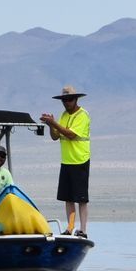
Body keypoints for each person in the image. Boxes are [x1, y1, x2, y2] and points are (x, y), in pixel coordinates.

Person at [39, 86, 91, 237]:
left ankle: (83, 230)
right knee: (68, 198)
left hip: (80, 160)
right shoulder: (63, 115)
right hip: (66, 161)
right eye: (64, 100)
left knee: (81, 199)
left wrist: (54, 123)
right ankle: (70, 228)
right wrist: (50, 125)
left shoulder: (83, 115)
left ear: (76, 99)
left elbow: (70, 135)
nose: (66, 103)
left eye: (69, 100)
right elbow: (56, 136)